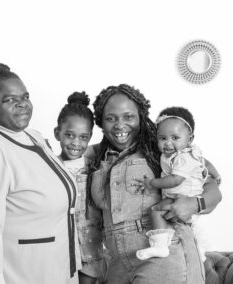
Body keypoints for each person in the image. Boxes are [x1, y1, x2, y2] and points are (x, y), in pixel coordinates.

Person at [86, 84, 221, 283]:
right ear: (100, 122)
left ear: (141, 116)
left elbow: (214, 191)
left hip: (165, 256)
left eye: (129, 116)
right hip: (117, 264)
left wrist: (194, 204)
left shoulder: (164, 151)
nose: (119, 125)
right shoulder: (96, 157)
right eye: (110, 118)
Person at [0, 59, 80, 284]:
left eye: (25, 97)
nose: (22, 104)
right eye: (10, 100)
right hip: (20, 274)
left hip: (55, 268)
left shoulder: (32, 136)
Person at [136, 106, 221, 261]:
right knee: (188, 227)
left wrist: (152, 183)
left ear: (190, 139)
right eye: (163, 138)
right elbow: (206, 163)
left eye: (175, 138)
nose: (168, 143)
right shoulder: (167, 155)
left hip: (183, 197)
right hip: (178, 205)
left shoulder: (185, 158)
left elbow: (214, 193)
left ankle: (161, 245)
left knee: (157, 211)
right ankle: (198, 250)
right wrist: (217, 174)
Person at [54, 91, 108, 284]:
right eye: (69, 135)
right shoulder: (51, 164)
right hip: (61, 247)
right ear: (57, 133)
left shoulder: (93, 160)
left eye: (83, 137)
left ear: (90, 137)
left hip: (91, 247)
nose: (76, 143)